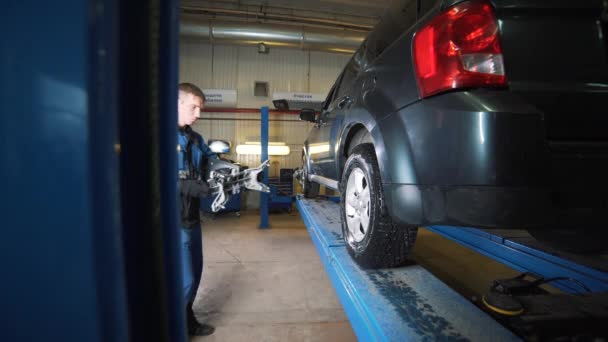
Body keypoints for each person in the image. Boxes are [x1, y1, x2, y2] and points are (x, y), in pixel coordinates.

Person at [176, 82, 217, 336]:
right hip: (172, 222)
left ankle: (187, 319)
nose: (198, 114)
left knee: (196, 274)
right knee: (185, 279)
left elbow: (211, 161)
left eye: (200, 108)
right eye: (193, 107)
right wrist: (191, 186)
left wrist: (228, 171)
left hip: (192, 218)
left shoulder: (195, 139)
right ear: (176, 104)